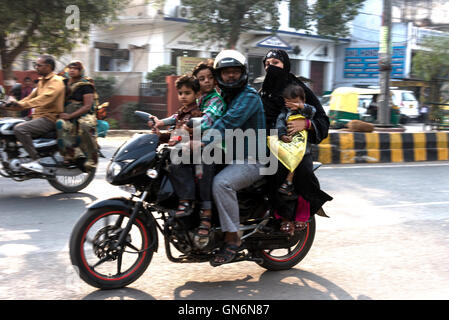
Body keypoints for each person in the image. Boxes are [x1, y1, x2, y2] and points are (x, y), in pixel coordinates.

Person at [201, 50, 266, 267]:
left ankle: (232, 238)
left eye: (235, 72)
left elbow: (228, 122)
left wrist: (202, 141)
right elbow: (205, 119)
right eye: (226, 72)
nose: (231, 76)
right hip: (230, 155)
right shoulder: (223, 97)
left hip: (253, 159)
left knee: (222, 183)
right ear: (219, 74)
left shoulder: (247, 96)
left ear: (243, 73)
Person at [260, 49, 332, 234]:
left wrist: (306, 123)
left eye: (275, 63)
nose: (270, 68)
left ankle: (291, 217)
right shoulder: (264, 92)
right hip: (268, 143)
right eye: (267, 65)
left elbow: (322, 119)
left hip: (297, 147)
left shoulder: (298, 89)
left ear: (285, 65)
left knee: (297, 173)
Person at [6, 55, 65, 173]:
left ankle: (36, 161)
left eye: (38, 65)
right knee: (9, 126)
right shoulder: (41, 82)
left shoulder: (56, 81)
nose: (36, 68)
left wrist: (21, 105)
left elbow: (44, 99)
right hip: (37, 117)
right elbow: (28, 98)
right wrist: (12, 105)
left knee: (20, 130)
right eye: (35, 65)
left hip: (49, 118)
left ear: (48, 67)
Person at [55, 61, 98, 170]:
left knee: (84, 127)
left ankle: (92, 158)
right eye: (70, 68)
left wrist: (71, 116)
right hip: (65, 114)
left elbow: (87, 106)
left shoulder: (86, 85)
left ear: (81, 71)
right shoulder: (63, 82)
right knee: (59, 125)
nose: (72, 70)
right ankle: (71, 154)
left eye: (75, 68)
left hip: (83, 115)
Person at [275, 83, 315, 201]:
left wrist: (301, 106)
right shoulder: (284, 114)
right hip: (288, 142)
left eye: (295, 102)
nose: (292, 105)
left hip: (302, 145)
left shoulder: (305, 112)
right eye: (289, 102)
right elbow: (280, 124)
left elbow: (312, 111)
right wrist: (282, 135)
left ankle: (289, 181)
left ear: (303, 101)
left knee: (297, 161)